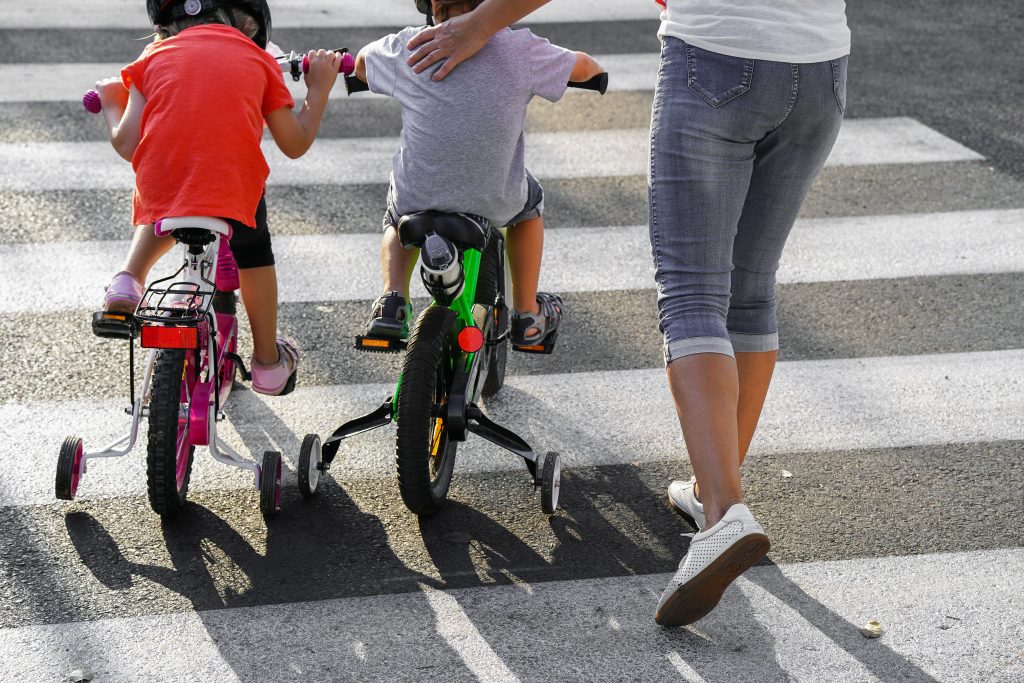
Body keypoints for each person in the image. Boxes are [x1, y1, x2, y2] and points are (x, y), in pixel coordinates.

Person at [405, 0, 850, 627]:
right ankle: (710, 495)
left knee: (695, 293)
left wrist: (480, 24)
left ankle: (725, 511)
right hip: (823, 65)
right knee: (751, 290)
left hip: (718, 58)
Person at [94, 0, 340, 395]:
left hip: (165, 188)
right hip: (231, 189)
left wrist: (110, 100)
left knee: (166, 199)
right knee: (255, 254)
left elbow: (127, 143)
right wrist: (319, 89)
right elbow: (294, 143)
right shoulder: (259, 59)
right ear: (249, 21)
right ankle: (267, 363)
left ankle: (127, 281)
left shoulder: (152, 55)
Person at [355, 0, 603, 346]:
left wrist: (345, 65)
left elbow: (363, 62)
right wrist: (594, 73)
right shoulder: (522, 50)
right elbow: (585, 66)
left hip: (419, 199)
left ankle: (392, 301)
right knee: (529, 206)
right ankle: (528, 314)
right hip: (495, 198)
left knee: (397, 213)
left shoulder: (409, 46)